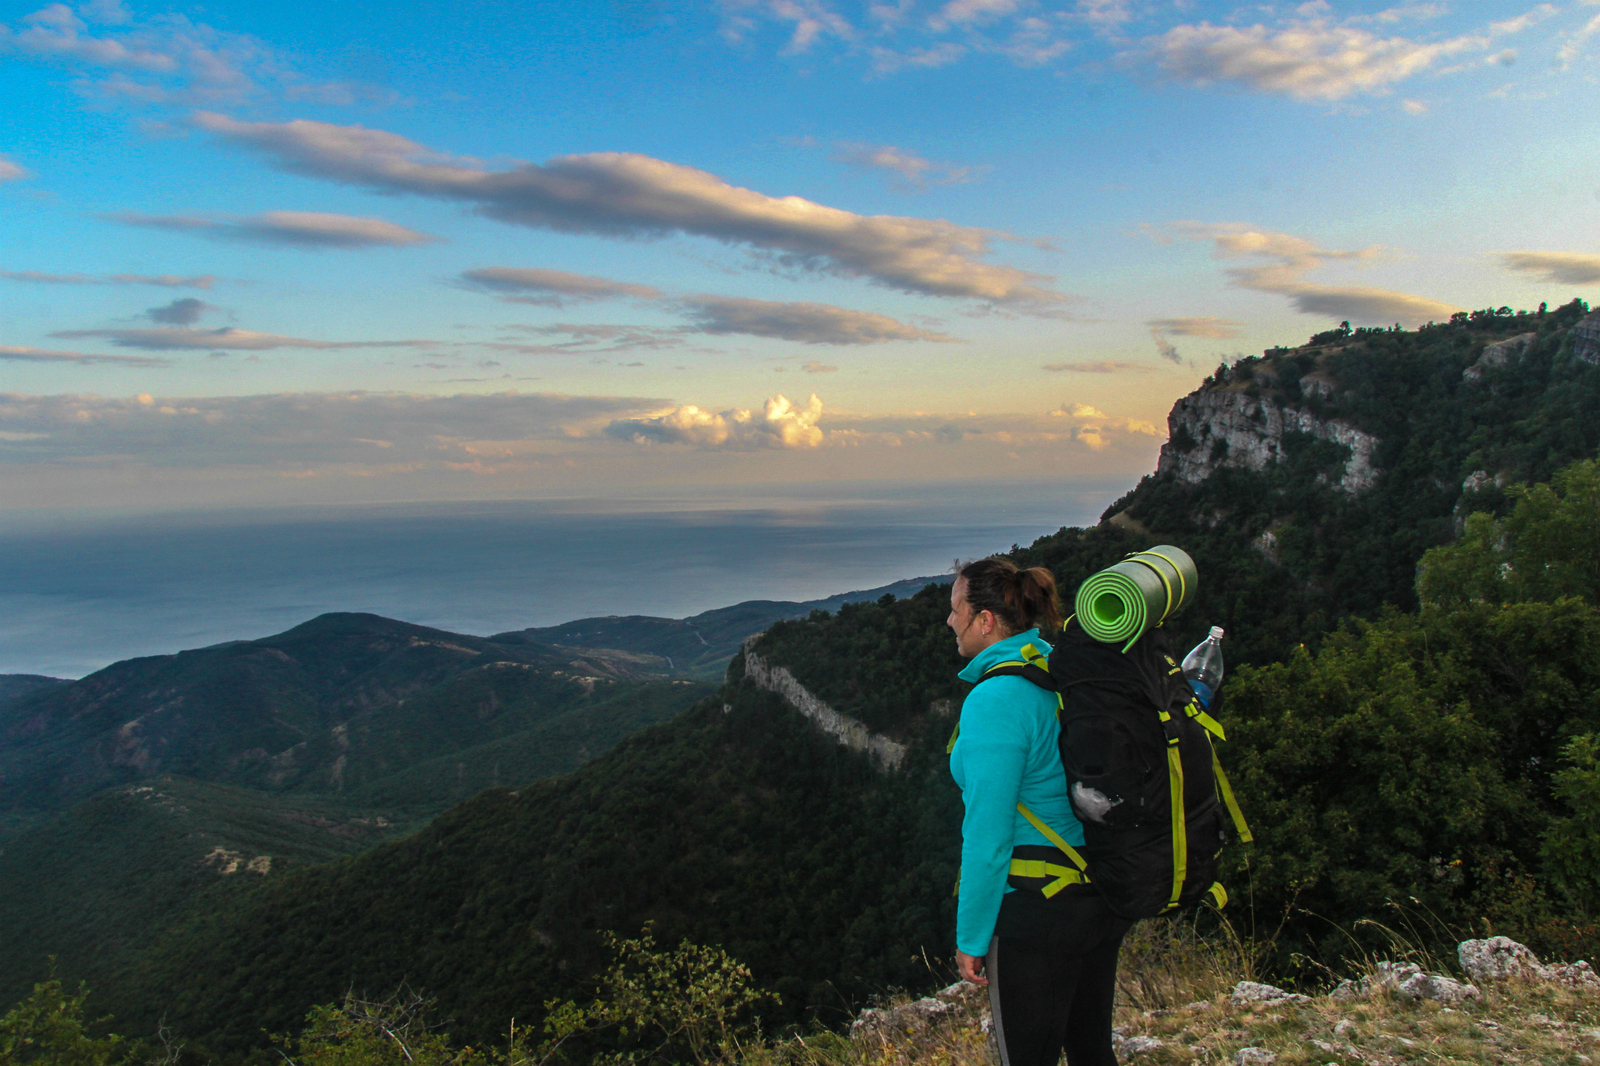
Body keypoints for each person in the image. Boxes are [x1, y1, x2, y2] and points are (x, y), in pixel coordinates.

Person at [946, 557, 1132, 1066]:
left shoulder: (996, 699)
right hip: (1097, 891)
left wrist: (972, 937)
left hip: (1038, 909)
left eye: (955, 609)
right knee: (1092, 1050)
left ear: (985, 620)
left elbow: (988, 835)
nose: (949, 621)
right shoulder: (1059, 666)